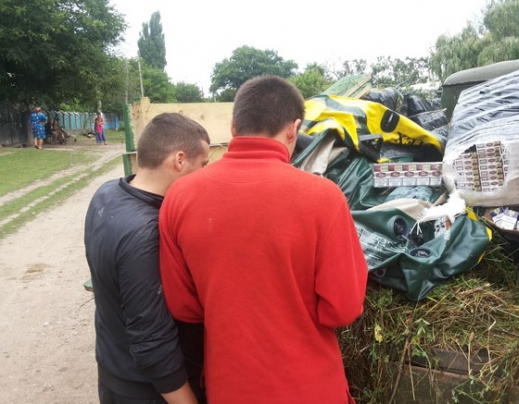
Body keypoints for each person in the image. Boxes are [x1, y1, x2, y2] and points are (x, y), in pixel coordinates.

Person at [159, 75, 369, 403]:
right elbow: (342, 309)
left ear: (232, 128)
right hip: (310, 388)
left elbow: (184, 307)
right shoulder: (324, 198)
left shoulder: (179, 197)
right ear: (293, 129)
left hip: (229, 388)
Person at [84, 113, 211, 404]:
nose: (205, 174)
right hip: (148, 390)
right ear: (179, 160)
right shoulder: (150, 232)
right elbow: (152, 340)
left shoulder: (107, 194)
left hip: (112, 370)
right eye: (203, 165)